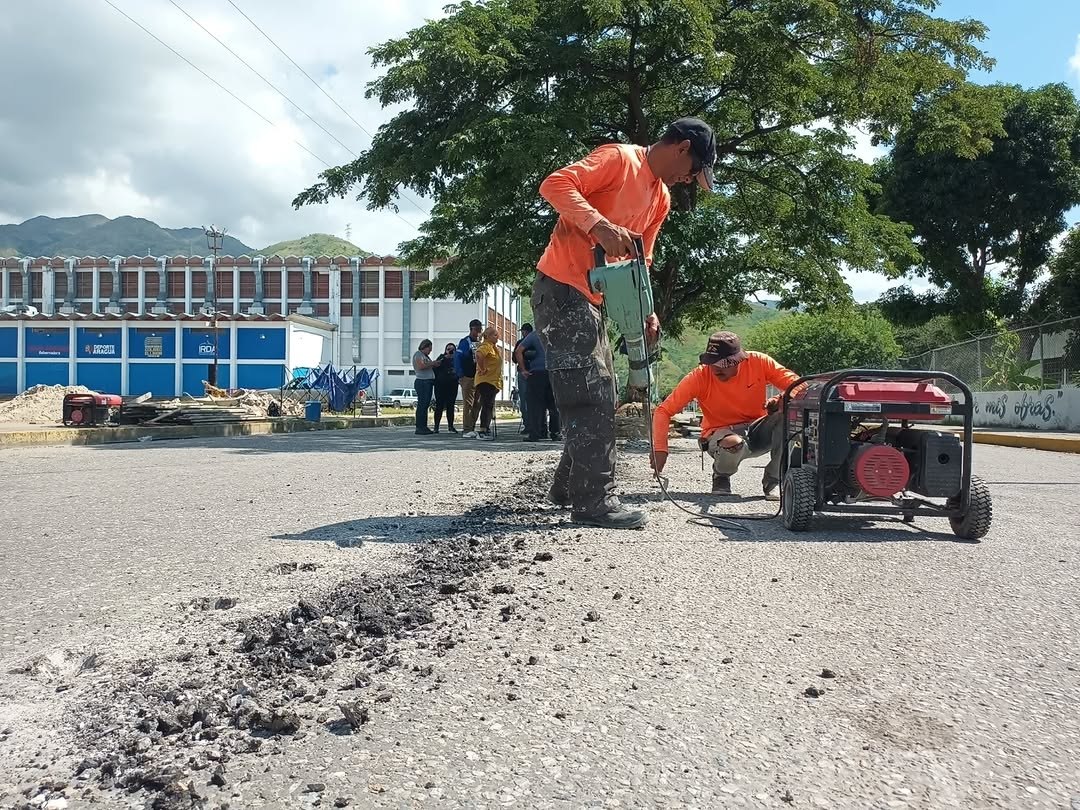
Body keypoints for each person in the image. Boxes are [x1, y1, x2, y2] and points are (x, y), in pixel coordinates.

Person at [531, 117, 716, 529]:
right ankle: (594, 502)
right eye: (692, 171)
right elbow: (555, 184)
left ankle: (569, 488)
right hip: (561, 287)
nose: (689, 180)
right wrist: (598, 224)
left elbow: (640, 261)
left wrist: (647, 309)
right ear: (682, 148)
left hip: (592, 299)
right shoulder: (618, 159)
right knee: (591, 394)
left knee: (599, 391)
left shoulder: (660, 199)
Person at [650, 331, 799, 500]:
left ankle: (774, 479)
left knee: (789, 417)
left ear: (740, 360)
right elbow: (663, 411)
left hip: (758, 429)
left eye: (724, 363)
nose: (716, 368)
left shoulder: (759, 362)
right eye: (712, 362)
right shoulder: (699, 377)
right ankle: (721, 475)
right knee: (732, 443)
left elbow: (799, 385)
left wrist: (782, 398)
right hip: (721, 434)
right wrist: (660, 449)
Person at [515, 322, 560, 442]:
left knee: (535, 405)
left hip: (537, 373)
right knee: (554, 404)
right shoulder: (558, 333)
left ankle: (536, 433)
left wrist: (523, 370)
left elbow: (518, 351)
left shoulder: (535, 335)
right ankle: (556, 433)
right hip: (553, 372)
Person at [464, 326, 503, 439]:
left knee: (488, 404)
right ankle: (483, 430)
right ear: (488, 336)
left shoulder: (493, 347)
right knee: (487, 404)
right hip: (486, 380)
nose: (497, 337)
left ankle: (485, 428)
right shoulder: (486, 346)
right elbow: (479, 355)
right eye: (495, 335)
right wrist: (482, 368)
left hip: (492, 381)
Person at [454, 319, 483, 436]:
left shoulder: (480, 343)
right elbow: (458, 357)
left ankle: (472, 426)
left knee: (478, 403)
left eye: (480, 329)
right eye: (477, 330)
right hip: (467, 376)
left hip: (479, 377)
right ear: (471, 329)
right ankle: (466, 428)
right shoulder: (465, 342)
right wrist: (460, 374)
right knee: (468, 403)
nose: (479, 332)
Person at [411, 339, 442, 435]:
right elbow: (421, 366)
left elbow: (427, 365)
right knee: (422, 404)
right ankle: (420, 427)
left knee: (425, 405)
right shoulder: (418, 355)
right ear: (424, 347)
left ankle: (424, 426)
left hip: (428, 382)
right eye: (429, 349)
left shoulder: (425, 356)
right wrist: (432, 363)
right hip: (422, 382)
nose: (430, 351)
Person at [433, 342, 459, 433]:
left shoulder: (456, 359)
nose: (450, 351)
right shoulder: (441, 358)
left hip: (452, 384)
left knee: (450, 406)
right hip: (440, 385)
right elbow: (434, 368)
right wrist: (444, 358)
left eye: (452, 349)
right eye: (448, 349)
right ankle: (436, 427)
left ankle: (450, 426)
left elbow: (459, 369)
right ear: (445, 350)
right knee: (439, 406)